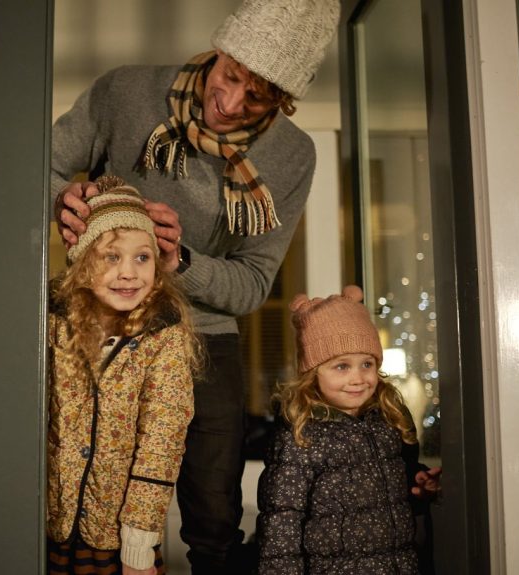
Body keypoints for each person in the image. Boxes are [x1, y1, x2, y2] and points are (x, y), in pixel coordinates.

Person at [50, 2, 341, 572]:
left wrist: (180, 259)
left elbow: (254, 283)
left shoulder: (290, 155)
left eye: (256, 98)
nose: (230, 104)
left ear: (284, 102)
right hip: (102, 324)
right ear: (219, 52)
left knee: (214, 513)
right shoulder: (126, 93)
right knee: (85, 483)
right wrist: (62, 201)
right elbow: (42, 167)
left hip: (204, 333)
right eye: (230, 77)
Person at [47, 175, 199, 575]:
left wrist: (138, 544)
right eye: (111, 256)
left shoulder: (163, 337)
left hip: (117, 539)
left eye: (142, 257)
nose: (129, 273)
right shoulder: (52, 325)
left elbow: (161, 446)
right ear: (81, 262)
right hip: (48, 527)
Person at [256, 285, 442, 574]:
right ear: (312, 373)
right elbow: (282, 521)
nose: (358, 378)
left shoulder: (388, 419)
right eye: (342, 366)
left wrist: (418, 484)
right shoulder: (302, 434)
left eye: (366, 364)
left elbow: (400, 483)